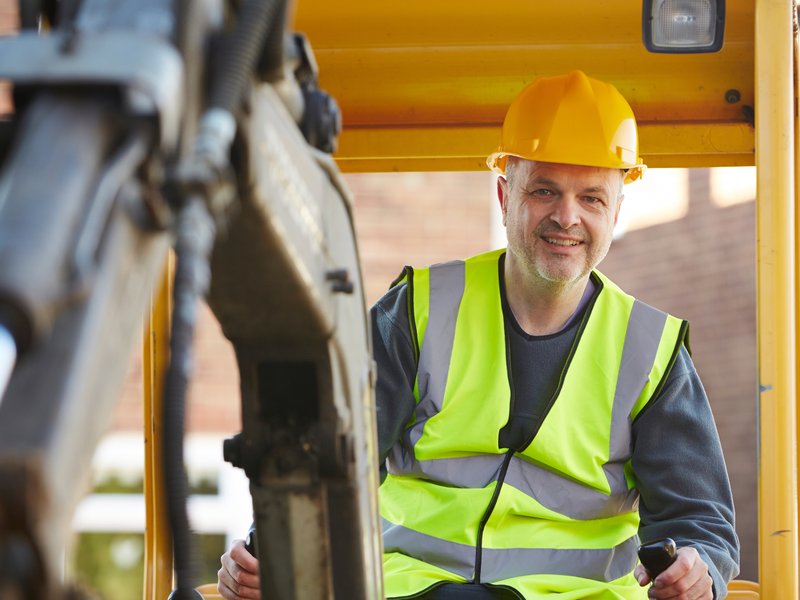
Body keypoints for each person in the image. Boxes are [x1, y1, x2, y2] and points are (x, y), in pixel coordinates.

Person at [217, 70, 739, 600]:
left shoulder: (651, 350)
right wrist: (277, 554)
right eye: (544, 190)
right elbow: (328, 455)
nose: (566, 217)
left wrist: (700, 572)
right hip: (416, 589)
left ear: (616, 211)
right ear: (503, 194)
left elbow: (701, 521)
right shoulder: (418, 310)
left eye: (591, 198)